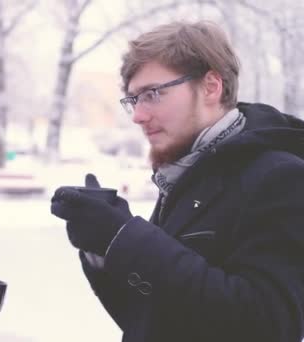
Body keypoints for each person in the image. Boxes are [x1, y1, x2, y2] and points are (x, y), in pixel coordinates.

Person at [51, 21, 304, 342]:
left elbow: (267, 324)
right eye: (133, 100)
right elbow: (154, 318)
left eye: (153, 94)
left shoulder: (280, 177)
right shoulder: (186, 172)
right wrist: (102, 250)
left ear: (211, 86)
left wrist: (125, 239)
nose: (138, 116)